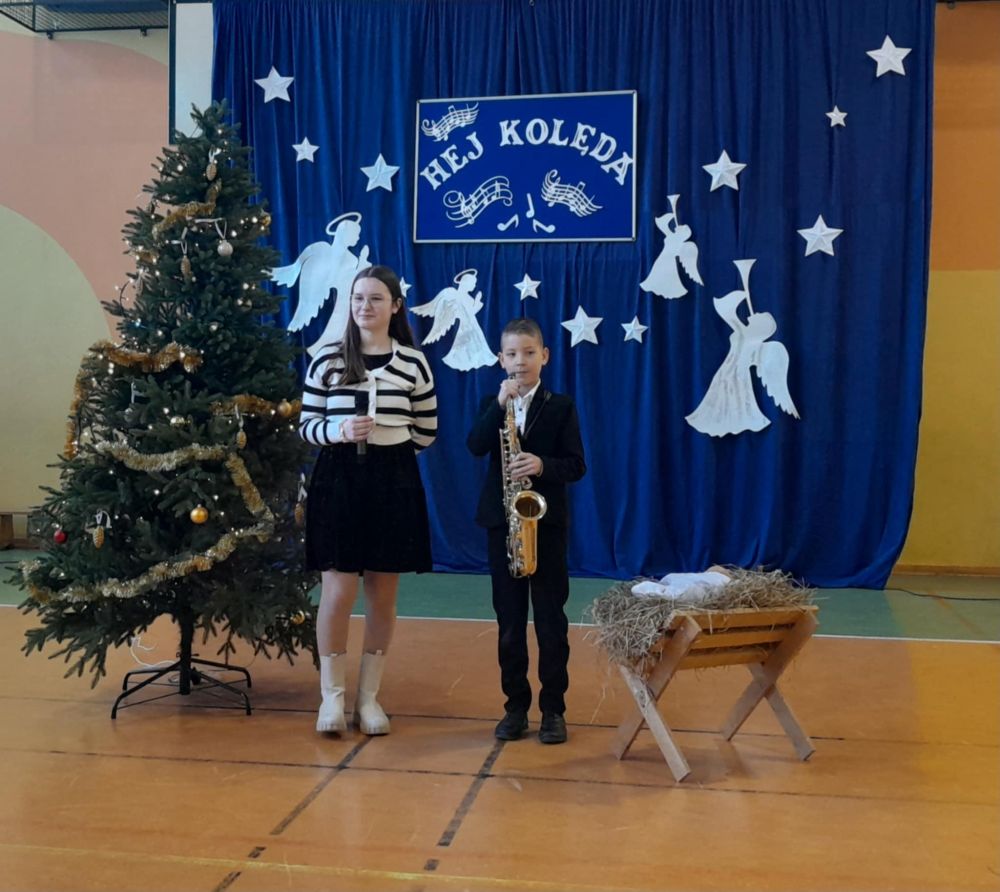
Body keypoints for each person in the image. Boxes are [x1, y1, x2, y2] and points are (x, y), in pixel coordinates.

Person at [299, 265, 437, 736]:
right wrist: (340, 431)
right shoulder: (327, 359)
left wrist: (389, 449)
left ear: (395, 306)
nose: (365, 306)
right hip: (337, 478)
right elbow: (306, 426)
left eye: (376, 298)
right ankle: (331, 698)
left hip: (393, 480)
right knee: (337, 592)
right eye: (358, 298)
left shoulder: (414, 363)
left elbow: (427, 430)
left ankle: (369, 699)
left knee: (383, 593)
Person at [466, 318, 586, 744]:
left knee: (551, 622)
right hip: (503, 524)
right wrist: (499, 405)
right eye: (513, 354)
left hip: (545, 525)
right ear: (501, 359)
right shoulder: (492, 402)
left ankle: (553, 709)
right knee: (510, 623)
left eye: (529, 353)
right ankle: (515, 707)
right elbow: (475, 445)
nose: (521, 361)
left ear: (544, 356)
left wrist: (541, 464)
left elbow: (576, 465)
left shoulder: (560, 406)